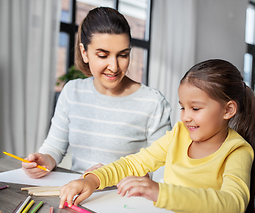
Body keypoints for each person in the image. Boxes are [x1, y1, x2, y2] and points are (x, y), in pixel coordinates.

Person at [59, 59, 255, 213]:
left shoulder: (237, 150)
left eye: (195, 108)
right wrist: (93, 180)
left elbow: (232, 205)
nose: (185, 117)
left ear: (228, 110)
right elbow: (136, 163)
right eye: (182, 107)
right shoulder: (179, 134)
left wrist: (160, 192)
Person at [21, 7, 171, 178]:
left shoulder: (152, 102)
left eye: (123, 55)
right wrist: (45, 160)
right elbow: (54, 147)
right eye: (102, 55)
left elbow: (163, 172)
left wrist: (110, 176)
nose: (114, 67)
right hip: (78, 196)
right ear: (84, 53)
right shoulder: (72, 92)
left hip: (126, 201)